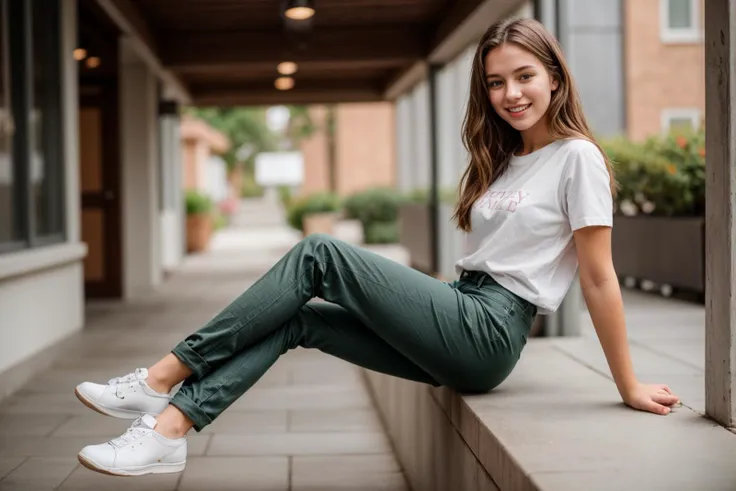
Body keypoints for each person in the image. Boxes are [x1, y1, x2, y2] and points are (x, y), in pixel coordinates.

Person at [73, 17, 680, 477]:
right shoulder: (508, 160)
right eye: (496, 82)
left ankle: (161, 376)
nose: (511, 94)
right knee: (301, 321)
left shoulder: (577, 158)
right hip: (462, 308)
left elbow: (599, 278)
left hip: (491, 330)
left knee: (320, 254)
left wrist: (626, 385)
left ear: (554, 76)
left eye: (525, 76)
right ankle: (170, 429)